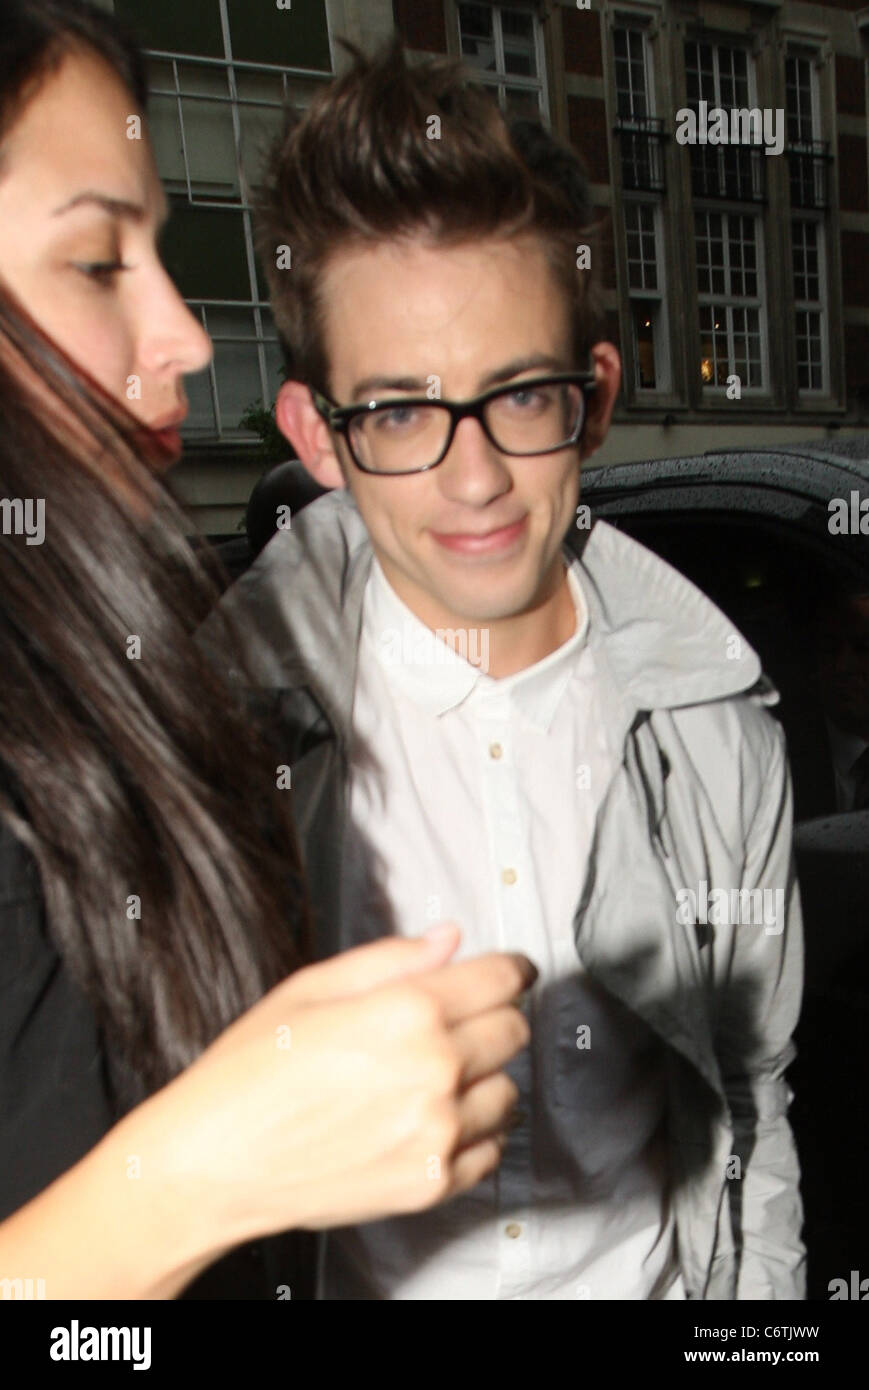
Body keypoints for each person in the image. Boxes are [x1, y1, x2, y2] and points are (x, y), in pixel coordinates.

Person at [205, 41, 807, 1300]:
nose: (472, 479)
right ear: (318, 435)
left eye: (516, 397)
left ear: (590, 394)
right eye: (400, 413)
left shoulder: (709, 726)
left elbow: (750, 1108)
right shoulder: (218, 742)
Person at [0, 0, 535, 1300]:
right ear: (316, 434)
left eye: (522, 395)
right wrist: (211, 1165)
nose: (185, 335)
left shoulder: (126, 705)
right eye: (94, 263)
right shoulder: (266, 684)